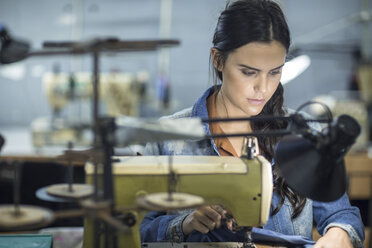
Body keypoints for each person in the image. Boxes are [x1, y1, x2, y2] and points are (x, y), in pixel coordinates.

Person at [140, 0, 365, 247]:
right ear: (218, 60)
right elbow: (142, 232)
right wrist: (186, 223)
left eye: (275, 72)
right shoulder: (168, 137)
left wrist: (337, 234)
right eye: (249, 72)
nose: (264, 88)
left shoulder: (307, 135)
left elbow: (341, 215)